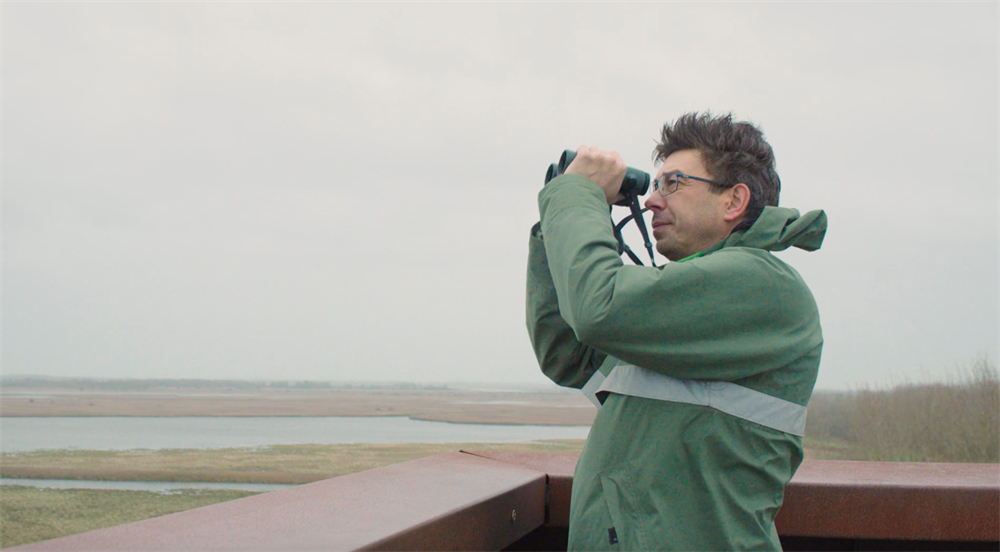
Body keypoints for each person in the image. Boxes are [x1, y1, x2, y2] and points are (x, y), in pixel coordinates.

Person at [526, 112, 827, 551]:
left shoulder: (761, 285)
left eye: (674, 183)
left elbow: (597, 309)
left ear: (733, 201)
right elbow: (569, 356)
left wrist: (576, 197)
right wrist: (555, 222)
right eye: (654, 185)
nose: (651, 201)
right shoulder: (691, 305)